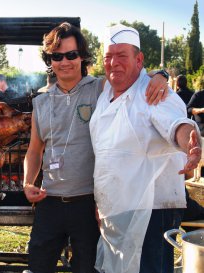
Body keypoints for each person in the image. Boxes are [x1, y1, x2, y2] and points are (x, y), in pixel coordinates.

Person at [23, 22, 169, 273]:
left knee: (87, 269)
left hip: (88, 204)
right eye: (57, 56)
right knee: (38, 266)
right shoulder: (41, 101)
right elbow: (35, 150)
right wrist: (27, 182)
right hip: (50, 202)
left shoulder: (100, 88)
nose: (65, 62)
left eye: (71, 54)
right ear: (50, 60)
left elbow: (132, 75)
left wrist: (161, 75)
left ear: (82, 57)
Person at [90, 24, 201, 273]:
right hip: (116, 208)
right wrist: (102, 203)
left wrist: (188, 140)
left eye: (122, 56)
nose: (113, 63)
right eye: (108, 57)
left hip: (152, 211)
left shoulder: (154, 92)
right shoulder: (105, 91)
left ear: (139, 60)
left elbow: (173, 123)